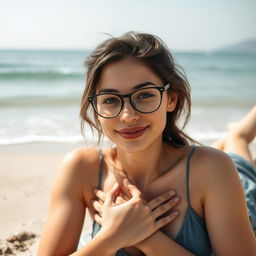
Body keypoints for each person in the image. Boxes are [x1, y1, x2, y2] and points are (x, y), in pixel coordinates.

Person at [38, 32, 256, 256]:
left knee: (238, 147)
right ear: (96, 109)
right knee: (235, 142)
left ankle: (235, 135)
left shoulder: (214, 168)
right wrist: (113, 236)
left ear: (171, 99)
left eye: (144, 95)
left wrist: (144, 236)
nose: (128, 116)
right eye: (110, 100)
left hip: (235, 186)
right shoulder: (82, 168)